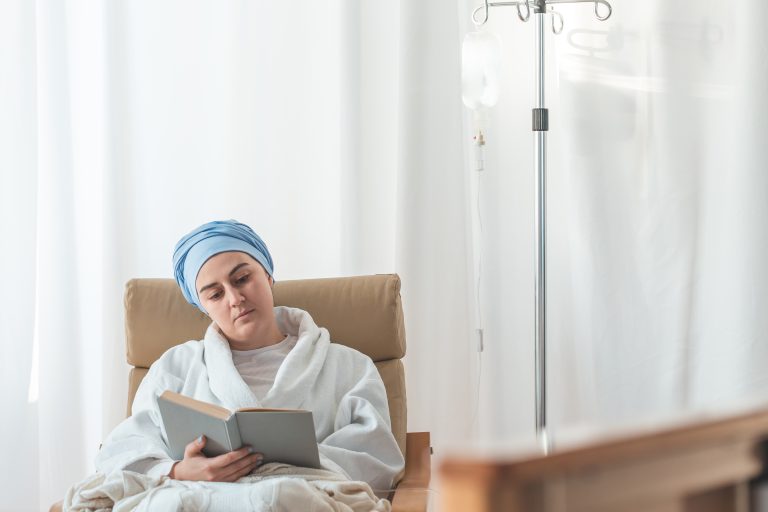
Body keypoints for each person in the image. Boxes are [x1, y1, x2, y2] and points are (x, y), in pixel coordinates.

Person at [95, 220, 405, 491]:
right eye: (215, 294)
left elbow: (376, 457)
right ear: (203, 307)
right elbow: (121, 450)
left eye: (242, 278)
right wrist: (177, 471)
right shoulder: (174, 368)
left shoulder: (350, 366)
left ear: (268, 275)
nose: (235, 298)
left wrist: (277, 474)